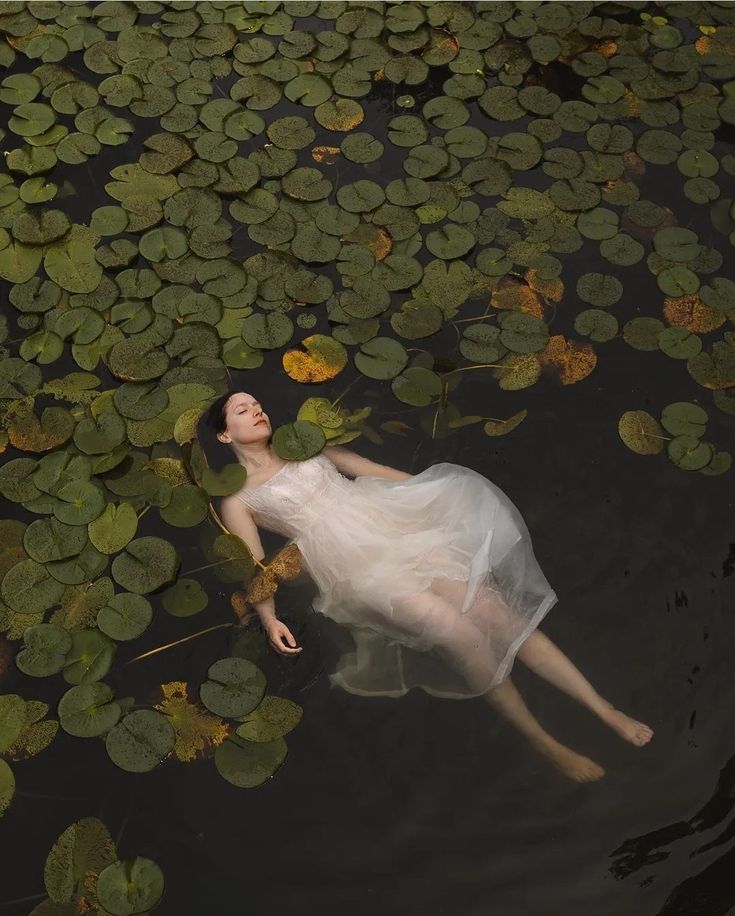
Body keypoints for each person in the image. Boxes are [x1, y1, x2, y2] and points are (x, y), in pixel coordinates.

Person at [204, 389, 653, 782]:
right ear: (225, 435)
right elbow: (255, 565)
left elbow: (370, 469)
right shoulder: (239, 497)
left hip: (398, 530)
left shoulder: (307, 445)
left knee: (497, 614)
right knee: (463, 636)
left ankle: (602, 708)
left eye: (258, 404)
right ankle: (543, 741)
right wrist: (268, 618)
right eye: (242, 409)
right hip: (354, 568)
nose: (257, 410)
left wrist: (440, 494)